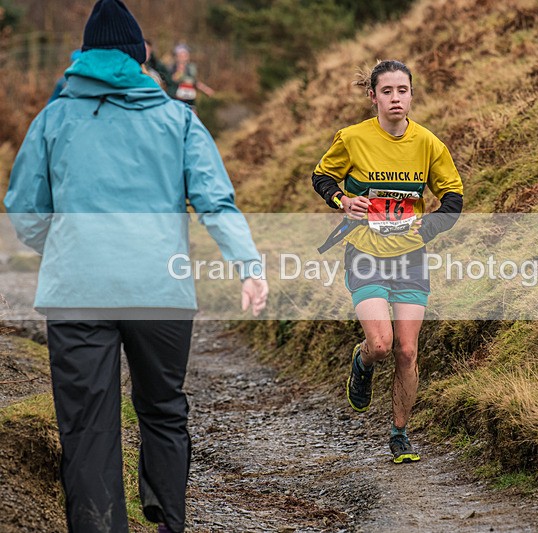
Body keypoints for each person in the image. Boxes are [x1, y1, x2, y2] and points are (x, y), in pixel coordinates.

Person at [3, 1, 268, 532]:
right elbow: (215, 202)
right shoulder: (178, 120)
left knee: (86, 425)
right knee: (164, 409)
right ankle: (167, 519)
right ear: (143, 55)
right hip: (160, 290)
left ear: (84, 57)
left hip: (77, 292)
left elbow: (25, 211)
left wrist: (65, 244)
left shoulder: (53, 118)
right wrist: (248, 265)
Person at [312, 60, 463, 463]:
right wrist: (343, 200)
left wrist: (427, 229)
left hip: (410, 257)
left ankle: (400, 435)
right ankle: (362, 363)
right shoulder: (353, 138)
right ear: (373, 96)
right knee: (381, 344)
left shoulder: (429, 144)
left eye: (403, 90)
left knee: (407, 351)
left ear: (412, 94)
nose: (395, 98)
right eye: (387, 91)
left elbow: (453, 199)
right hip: (365, 253)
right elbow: (322, 177)